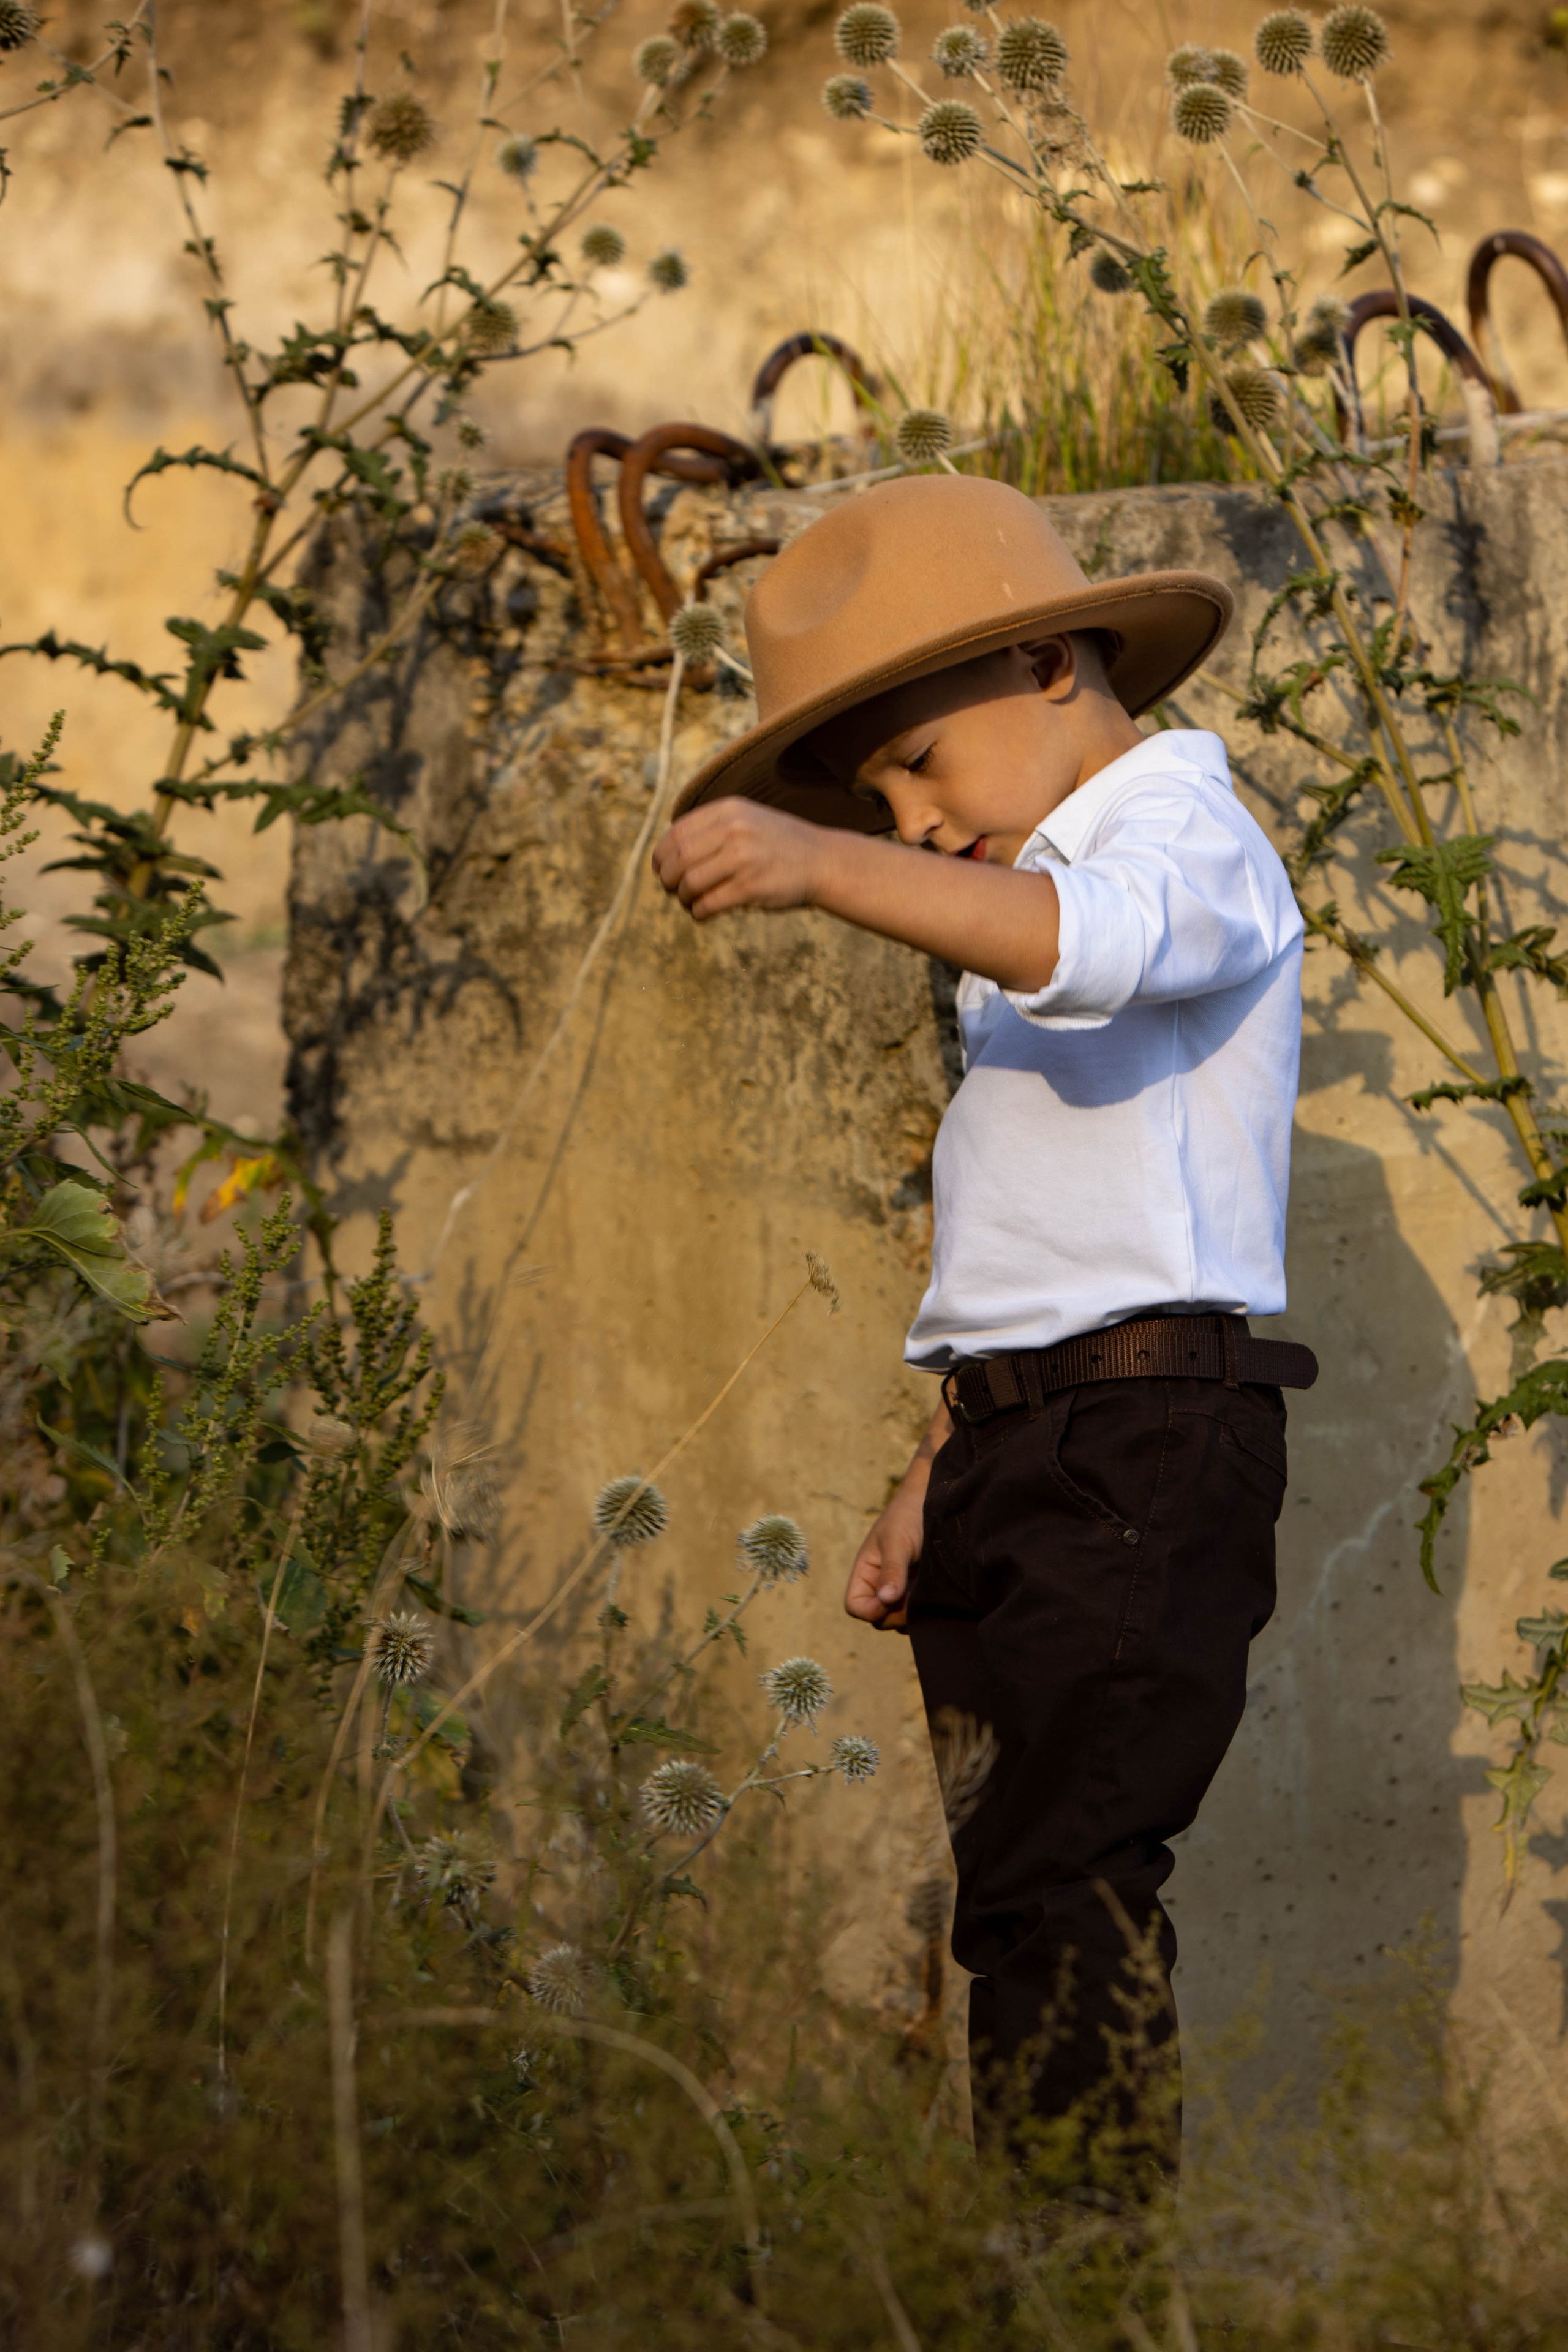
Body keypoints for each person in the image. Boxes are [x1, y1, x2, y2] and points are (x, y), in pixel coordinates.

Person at [651, 473, 1314, 2176]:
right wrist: (942, 1460)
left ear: (1045, 664)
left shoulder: (1183, 836)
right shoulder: (1026, 925)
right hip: (1037, 1439)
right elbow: (1039, 1242)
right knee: (1015, 1880)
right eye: (873, 796)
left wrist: (824, 866)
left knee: (1066, 1881)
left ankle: (1078, 2271)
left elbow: (1086, 947)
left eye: (919, 767)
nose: (914, 821)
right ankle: (1049, 2252)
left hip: (1148, 1444)